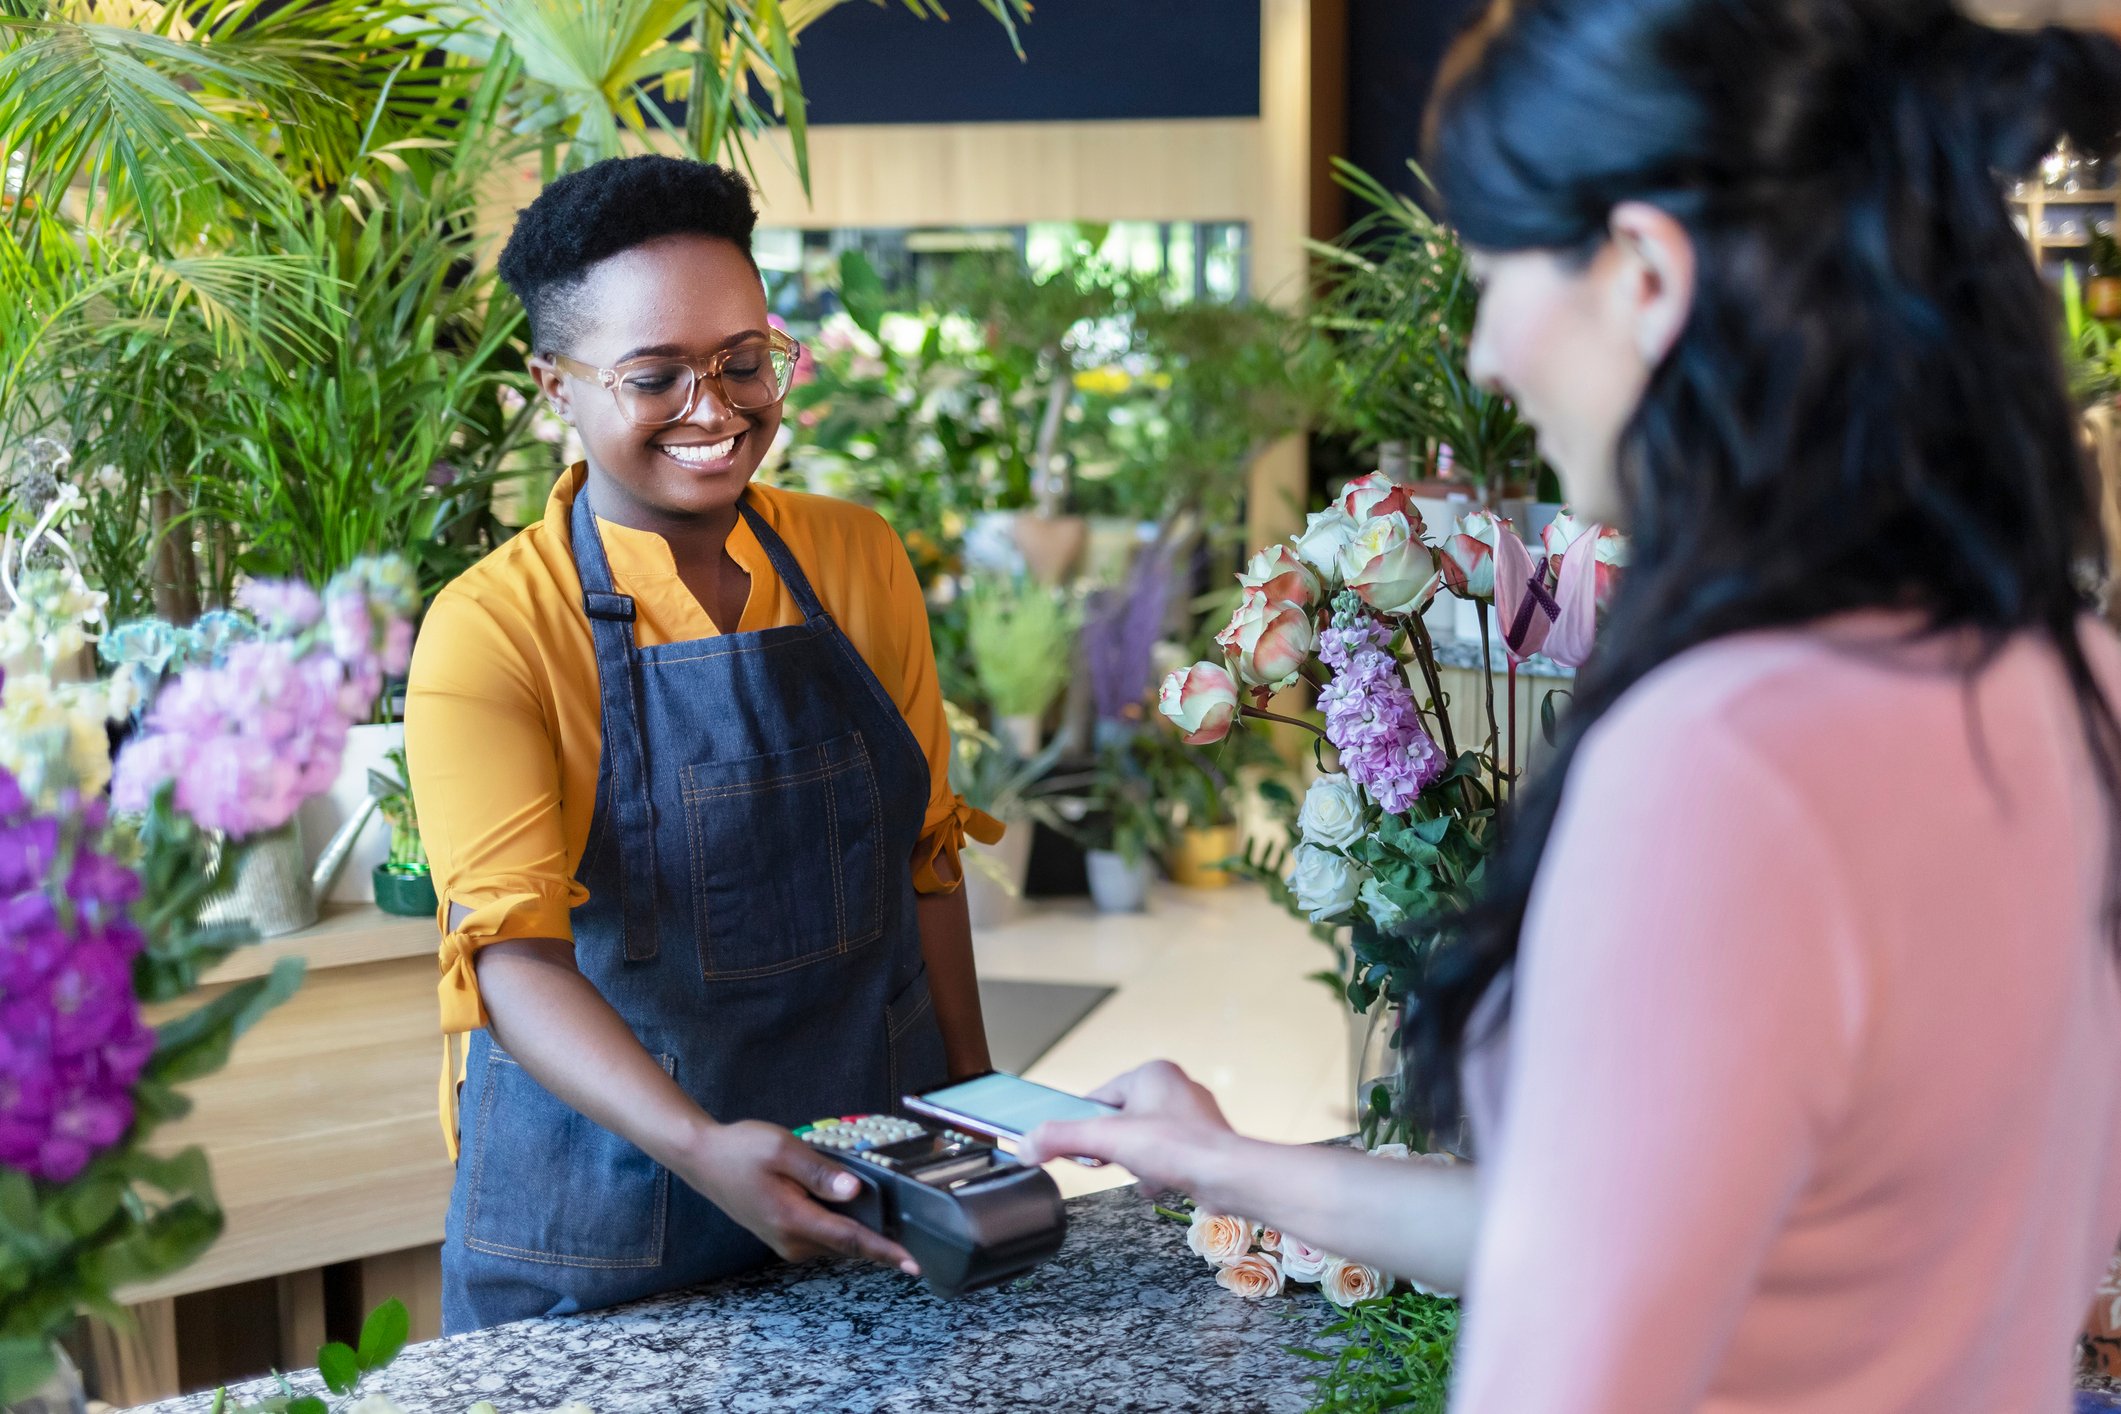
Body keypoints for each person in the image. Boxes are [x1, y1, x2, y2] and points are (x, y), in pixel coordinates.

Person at [1020, 2, 2121, 1408]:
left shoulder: (1721, 762)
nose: (1486, 357)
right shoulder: (2060, 676)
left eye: (1493, 279)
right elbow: (1654, 1233)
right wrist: (1224, 1162)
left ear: (1643, 275)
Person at [406, 155, 1000, 1333]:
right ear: (554, 387)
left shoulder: (856, 558)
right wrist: (698, 1145)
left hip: (861, 1186)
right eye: (656, 376)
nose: (717, 410)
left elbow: (924, 863)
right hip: (598, 1232)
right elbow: (516, 962)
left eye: (744, 363)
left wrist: (979, 1115)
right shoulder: (492, 630)